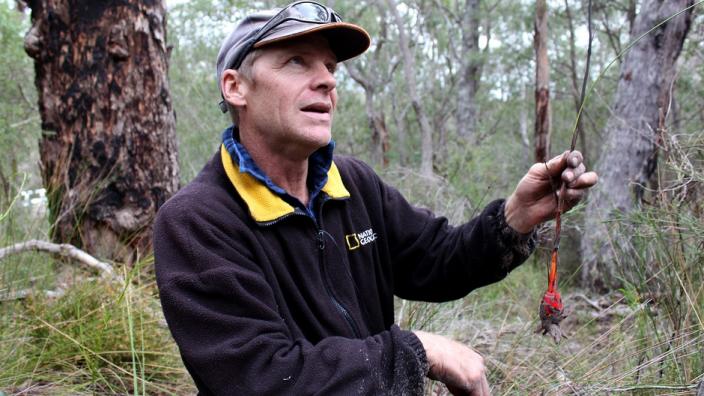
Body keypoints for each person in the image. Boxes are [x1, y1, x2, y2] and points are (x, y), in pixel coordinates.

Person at [153, 2, 598, 395]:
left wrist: (515, 217)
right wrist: (417, 350)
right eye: (296, 62)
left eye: (330, 67)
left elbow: (438, 260)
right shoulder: (197, 223)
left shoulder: (352, 185)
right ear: (236, 87)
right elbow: (263, 378)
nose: (326, 81)